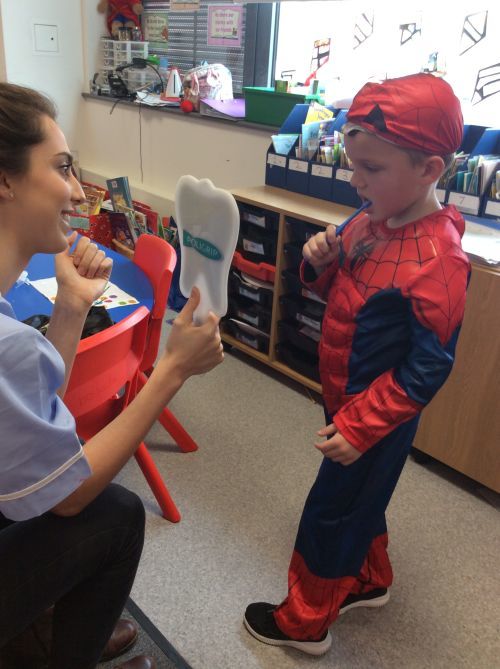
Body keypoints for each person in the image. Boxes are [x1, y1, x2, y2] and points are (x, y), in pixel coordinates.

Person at [244, 73, 470, 655]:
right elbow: (344, 300)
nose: (355, 178)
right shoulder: (370, 218)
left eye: (371, 168)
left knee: (330, 512)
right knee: (361, 501)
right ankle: (369, 580)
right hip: (343, 394)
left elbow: (428, 369)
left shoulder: (439, 260)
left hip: (375, 415)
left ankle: (306, 622)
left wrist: (361, 425)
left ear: (429, 171)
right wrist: (318, 261)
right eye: (354, 162)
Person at [0, 82, 224, 669]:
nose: (78, 191)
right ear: (4, 180)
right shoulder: (7, 343)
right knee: (118, 514)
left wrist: (72, 307)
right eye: (63, 168)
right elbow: (70, 495)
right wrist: (171, 370)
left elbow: (30, 413)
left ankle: (29, 626)